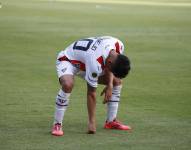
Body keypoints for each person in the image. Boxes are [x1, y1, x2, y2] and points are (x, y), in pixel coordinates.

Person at [51, 36, 131, 136]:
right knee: (68, 84)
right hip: (68, 61)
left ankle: (111, 121)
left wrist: (110, 84)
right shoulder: (95, 62)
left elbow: (110, 67)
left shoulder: (118, 45)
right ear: (109, 63)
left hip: (86, 62)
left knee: (117, 81)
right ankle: (57, 124)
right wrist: (92, 123)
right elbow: (91, 93)